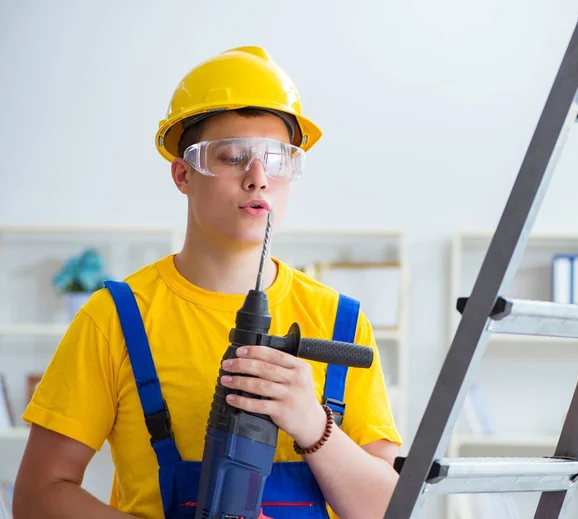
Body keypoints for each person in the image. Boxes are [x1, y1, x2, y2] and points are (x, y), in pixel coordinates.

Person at [12, 46, 402, 519]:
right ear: (182, 173)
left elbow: (387, 509)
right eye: (234, 157)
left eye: (278, 160)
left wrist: (312, 422)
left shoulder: (340, 321)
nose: (258, 178)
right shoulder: (117, 317)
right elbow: (38, 496)